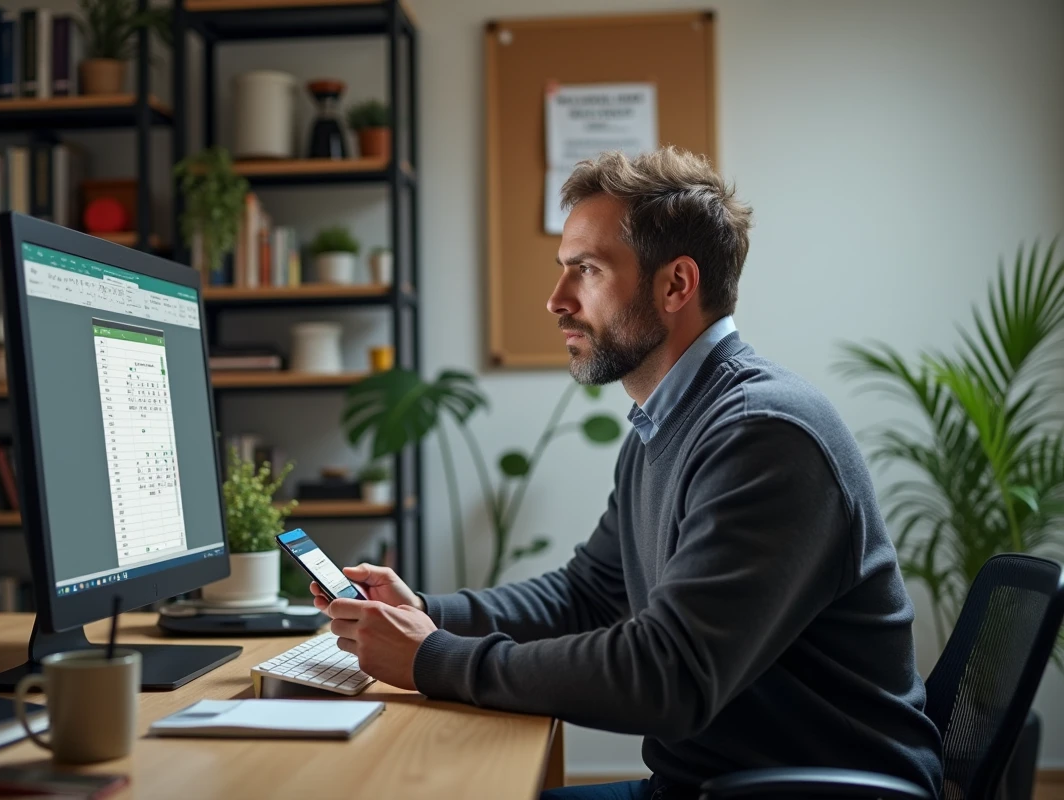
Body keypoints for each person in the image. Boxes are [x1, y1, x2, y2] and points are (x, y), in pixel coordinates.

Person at [310, 147, 943, 800]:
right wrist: (427, 613)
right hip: (716, 784)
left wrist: (431, 658)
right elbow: (587, 595)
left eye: (586, 271)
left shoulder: (765, 435)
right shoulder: (665, 423)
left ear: (675, 285)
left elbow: (666, 677)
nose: (556, 300)